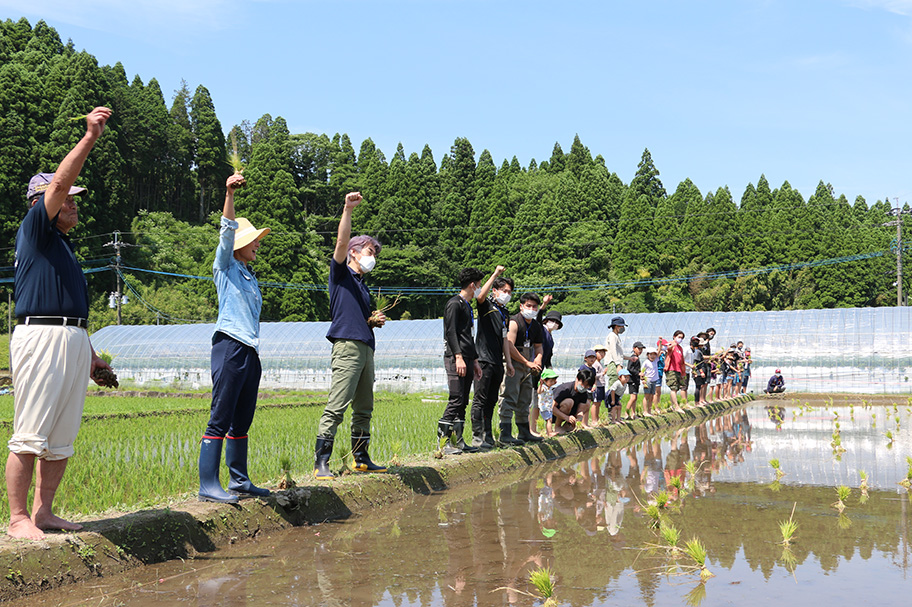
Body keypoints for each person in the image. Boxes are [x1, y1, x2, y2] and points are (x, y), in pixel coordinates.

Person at [6, 107, 115, 540]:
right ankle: (17, 519)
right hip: (41, 336)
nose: (72, 202)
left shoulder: (64, 249)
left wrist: (91, 358)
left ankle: (44, 512)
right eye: (67, 197)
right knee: (30, 432)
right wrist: (90, 138)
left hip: (69, 338)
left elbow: (74, 314)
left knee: (62, 436)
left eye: (74, 197)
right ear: (42, 204)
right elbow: (59, 182)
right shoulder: (35, 230)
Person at [198, 173, 271, 503]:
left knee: (243, 416)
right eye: (254, 239)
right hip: (230, 346)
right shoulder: (226, 265)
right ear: (240, 245)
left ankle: (239, 480)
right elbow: (226, 233)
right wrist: (228, 192)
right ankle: (208, 485)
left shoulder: (249, 276)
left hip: (250, 351)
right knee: (221, 414)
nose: (258, 243)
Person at [314, 192, 387, 479]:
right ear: (354, 253)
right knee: (338, 404)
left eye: (375, 254)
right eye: (370, 252)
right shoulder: (341, 274)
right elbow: (341, 241)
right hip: (346, 346)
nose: (373, 258)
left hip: (366, 346)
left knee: (364, 407)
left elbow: (355, 315)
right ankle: (322, 462)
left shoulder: (362, 286)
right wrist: (347, 209)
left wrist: (372, 321)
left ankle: (361, 458)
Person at [438, 268, 485, 456]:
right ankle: (443, 442)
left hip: (466, 358)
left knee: (463, 400)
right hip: (455, 358)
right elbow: (451, 332)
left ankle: (459, 441)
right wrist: (458, 356)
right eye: (479, 285)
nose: (480, 289)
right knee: (456, 398)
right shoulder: (454, 304)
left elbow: (468, 337)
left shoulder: (466, 306)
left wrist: (474, 360)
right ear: (472, 285)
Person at [471, 268, 515, 450]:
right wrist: (495, 275)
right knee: (480, 399)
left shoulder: (504, 313)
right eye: (503, 291)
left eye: (509, 292)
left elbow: (505, 338)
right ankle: (477, 436)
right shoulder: (486, 305)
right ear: (495, 290)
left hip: (497, 361)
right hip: (483, 358)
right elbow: (479, 296)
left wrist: (509, 362)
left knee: (491, 400)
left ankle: (488, 435)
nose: (506, 295)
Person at [499, 293, 544, 445]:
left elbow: (538, 347)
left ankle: (524, 432)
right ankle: (505, 433)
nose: (531, 309)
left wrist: (537, 359)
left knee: (525, 399)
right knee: (509, 397)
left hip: (527, 366)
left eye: (534, 306)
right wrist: (527, 362)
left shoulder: (536, 325)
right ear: (521, 306)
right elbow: (509, 346)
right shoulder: (514, 322)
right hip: (513, 364)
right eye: (528, 306)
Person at [528, 301, 559, 437]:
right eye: (552, 321)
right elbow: (538, 319)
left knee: (538, 400)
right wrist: (543, 305)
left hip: (542, 371)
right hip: (534, 368)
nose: (554, 324)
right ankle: (531, 428)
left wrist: (550, 369)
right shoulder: (541, 329)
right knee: (533, 399)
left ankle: (534, 428)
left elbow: (548, 357)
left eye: (556, 322)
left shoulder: (550, 338)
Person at [552, 368, 596, 434]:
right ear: (577, 379)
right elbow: (551, 407)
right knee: (569, 402)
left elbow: (580, 409)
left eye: (587, 386)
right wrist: (566, 417)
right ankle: (557, 426)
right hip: (554, 414)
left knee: (587, 403)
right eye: (583, 384)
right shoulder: (564, 389)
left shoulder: (584, 393)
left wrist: (579, 416)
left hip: (570, 414)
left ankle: (567, 426)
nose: (584, 387)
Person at [663, 330, 686, 412]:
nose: (680, 339)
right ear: (674, 336)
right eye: (679, 337)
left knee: (676, 388)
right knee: (673, 388)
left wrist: (683, 372)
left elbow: (682, 361)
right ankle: (676, 406)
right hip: (671, 369)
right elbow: (666, 348)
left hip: (678, 370)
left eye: (682, 338)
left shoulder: (680, 348)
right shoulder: (671, 344)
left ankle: (671, 406)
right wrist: (671, 344)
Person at [537, 369, 559, 437]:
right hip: (545, 407)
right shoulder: (544, 387)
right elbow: (539, 391)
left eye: (554, 381)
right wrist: (540, 385)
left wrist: (554, 382)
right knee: (549, 420)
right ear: (545, 381)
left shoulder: (549, 387)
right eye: (551, 381)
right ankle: (550, 433)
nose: (553, 382)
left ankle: (548, 432)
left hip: (548, 407)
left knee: (549, 419)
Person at [625, 341, 645, 420]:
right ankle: (626, 413)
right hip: (632, 380)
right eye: (639, 349)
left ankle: (633, 414)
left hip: (636, 380)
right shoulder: (633, 358)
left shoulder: (637, 358)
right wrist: (638, 373)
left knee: (635, 398)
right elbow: (630, 368)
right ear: (634, 349)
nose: (640, 350)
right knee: (632, 398)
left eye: (641, 349)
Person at [590, 345, 608, 425]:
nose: (601, 354)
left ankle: (597, 418)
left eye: (603, 353)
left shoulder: (599, 363)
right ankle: (594, 420)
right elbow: (593, 375)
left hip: (601, 385)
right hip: (597, 385)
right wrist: (603, 373)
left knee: (598, 403)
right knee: (595, 403)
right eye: (599, 352)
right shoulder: (595, 364)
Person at [690, 336, 708, 406]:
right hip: (698, 372)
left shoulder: (698, 351)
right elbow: (697, 363)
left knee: (700, 386)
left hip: (700, 371)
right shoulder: (697, 352)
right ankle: (697, 402)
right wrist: (701, 371)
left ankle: (700, 401)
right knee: (698, 387)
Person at [641, 347, 659, 416]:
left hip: (654, 381)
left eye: (654, 354)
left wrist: (660, 342)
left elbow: (659, 352)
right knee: (646, 396)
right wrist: (643, 380)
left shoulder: (655, 360)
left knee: (652, 396)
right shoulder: (646, 362)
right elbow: (642, 372)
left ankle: (649, 411)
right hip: (648, 381)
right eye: (651, 354)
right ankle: (645, 411)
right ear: (648, 355)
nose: (653, 356)